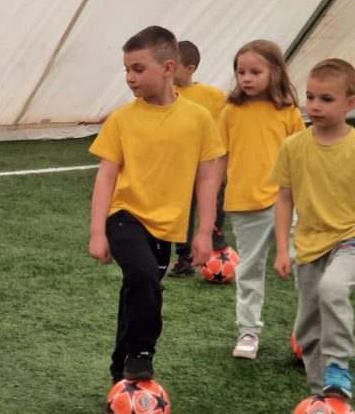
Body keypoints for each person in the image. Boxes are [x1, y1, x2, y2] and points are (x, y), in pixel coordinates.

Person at [88, 26, 224, 383]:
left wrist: (204, 231)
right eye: (126, 70)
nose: (130, 78)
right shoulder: (121, 119)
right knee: (144, 275)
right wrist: (98, 232)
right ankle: (142, 351)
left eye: (138, 69)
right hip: (124, 215)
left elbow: (207, 178)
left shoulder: (198, 118)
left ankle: (121, 372)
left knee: (139, 290)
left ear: (167, 68)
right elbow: (106, 176)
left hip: (167, 227)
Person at [273, 58, 355, 398]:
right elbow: (284, 199)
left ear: (350, 103)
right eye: (310, 97)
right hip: (308, 244)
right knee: (307, 330)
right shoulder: (293, 146)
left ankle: (338, 366)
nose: (315, 105)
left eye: (326, 99)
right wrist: (282, 249)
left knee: (332, 289)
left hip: (349, 239)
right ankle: (324, 396)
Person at [218, 40, 305, 359]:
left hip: (288, 203)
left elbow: (302, 161)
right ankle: (248, 330)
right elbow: (219, 157)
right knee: (250, 269)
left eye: (255, 72)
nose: (246, 78)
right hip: (245, 206)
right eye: (241, 72)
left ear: (276, 71)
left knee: (304, 265)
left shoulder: (289, 113)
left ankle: (307, 331)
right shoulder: (230, 111)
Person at [166, 40, 229, 277]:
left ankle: (215, 238)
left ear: (190, 68)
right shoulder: (166, 94)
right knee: (182, 213)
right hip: (179, 167)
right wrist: (101, 117)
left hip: (209, 166)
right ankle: (183, 258)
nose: (168, 71)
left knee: (214, 203)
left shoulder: (214, 96)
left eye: (174, 66)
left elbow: (234, 116)